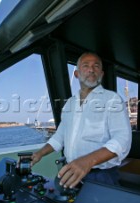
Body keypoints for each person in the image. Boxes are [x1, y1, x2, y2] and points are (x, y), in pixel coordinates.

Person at [31, 52, 132, 188]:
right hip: (71, 171)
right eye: (86, 66)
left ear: (101, 74)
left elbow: (122, 139)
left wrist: (87, 161)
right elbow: (59, 137)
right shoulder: (69, 104)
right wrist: (39, 154)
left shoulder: (112, 99)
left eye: (96, 66)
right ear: (77, 74)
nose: (91, 70)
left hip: (101, 176)